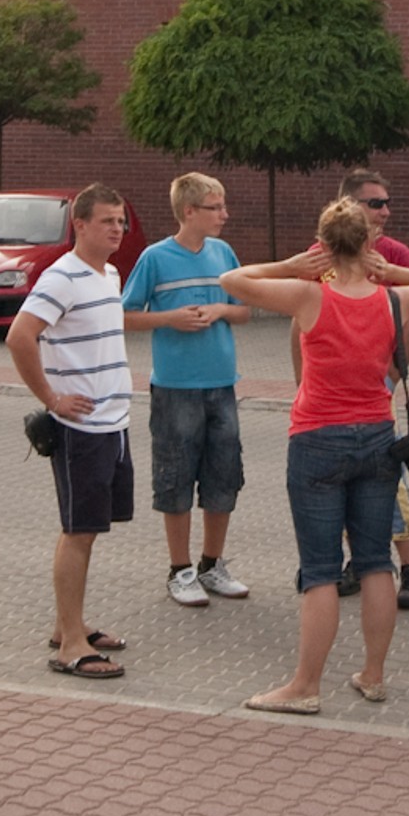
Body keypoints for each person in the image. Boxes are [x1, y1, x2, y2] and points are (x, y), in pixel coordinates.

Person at [221, 198, 409, 713]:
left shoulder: (307, 296)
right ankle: (373, 673)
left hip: (318, 437)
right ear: (368, 244)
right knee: (375, 563)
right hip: (377, 435)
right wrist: (390, 270)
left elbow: (233, 281)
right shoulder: (393, 301)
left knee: (320, 569)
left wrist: (291, 266)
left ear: (321, 246)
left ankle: (305, 685)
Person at [6, 183, 135, 681]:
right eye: (107, 221)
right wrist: (52, 398)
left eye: (120, 221)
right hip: (80, 427)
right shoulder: (61, 276)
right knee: (77, 531)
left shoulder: (109, 273)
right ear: (79, 225)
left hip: (113, 423)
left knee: (92, 527)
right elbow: (20, 336)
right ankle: (70, 647)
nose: (117, 229)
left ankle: (70, 625)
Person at [290, 169, 409, 610]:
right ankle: (357, 564)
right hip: (326, 406)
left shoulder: (394, 255)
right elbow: (300, 326)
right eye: (375, 204)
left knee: (391, 487)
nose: (385, 212)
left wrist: (391, 377)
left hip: (372, 400)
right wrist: (304, 387)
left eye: (387, 203)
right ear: (350, 206)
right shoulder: (318, 259)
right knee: (348, 491)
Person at [122, 173, 252, 607]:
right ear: (189, 211)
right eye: (216, 207)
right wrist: (170, 319)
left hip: (222, 384)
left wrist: (221, 308)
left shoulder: (224, 253)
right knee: (175, 478)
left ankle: (212, 564)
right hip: (175, 388)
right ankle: (179, 571)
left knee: (223, 476)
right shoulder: (154, 258)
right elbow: (124, 316)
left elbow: (244, 310)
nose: (225, 215)